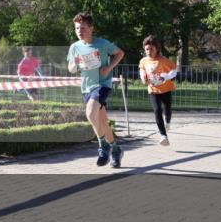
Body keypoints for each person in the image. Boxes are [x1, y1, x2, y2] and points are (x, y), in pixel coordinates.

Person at [66, 12, 125, 168]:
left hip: (102, 84)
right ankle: (116, 150)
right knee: (103, 122)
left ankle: (102, 146)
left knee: (90, 113)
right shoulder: (75, 47)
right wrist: (75, 63)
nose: (79, 31)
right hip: (87, 87)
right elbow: (71, 69)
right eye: (77, 28)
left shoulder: (102, 43)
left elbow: (120, 53)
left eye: (83, 28)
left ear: (91, 28)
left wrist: (109, 68)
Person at [138, 35, 176, 146]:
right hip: (153, 89)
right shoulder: (143, 61)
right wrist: (143, 78)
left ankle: (168, 121)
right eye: (147, 49)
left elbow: (174, 71)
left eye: (151, 49)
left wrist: (165, 77)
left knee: (167, 109)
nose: (149, 52)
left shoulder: (164, 60)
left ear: (157, 49)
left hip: (166, 89)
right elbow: (142, 71)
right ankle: (163, 136)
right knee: (157, 110)